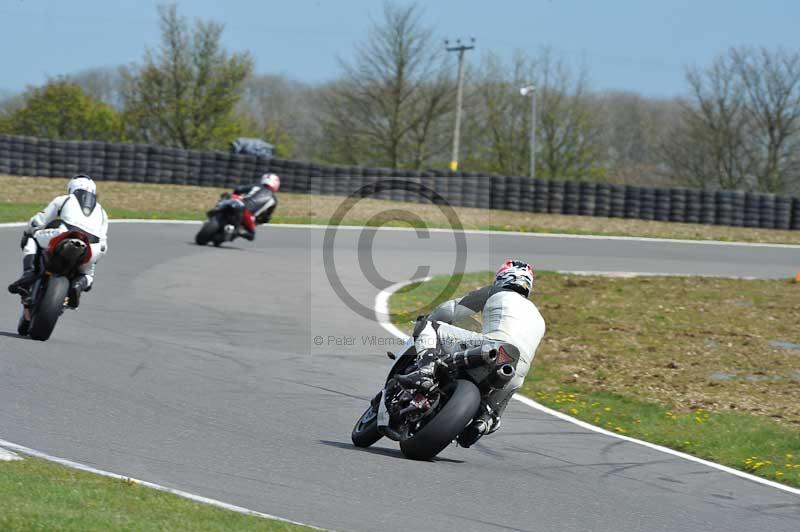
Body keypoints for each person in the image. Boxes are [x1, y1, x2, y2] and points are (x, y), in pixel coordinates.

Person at [403, 260, 546, 448]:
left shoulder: (496, 292)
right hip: (516, 371)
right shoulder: (539, 318)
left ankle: (426, 371)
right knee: (496, 406)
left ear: (501, 277)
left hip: (492, 348)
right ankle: (484, 421)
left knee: (428, 327)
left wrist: (429, 319)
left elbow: (450, 310)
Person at [8, 174, 108, 319]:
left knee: (33, 238)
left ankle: (28, 275)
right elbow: (104, 241)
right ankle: (79, 285)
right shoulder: (103, 212)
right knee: (88, 274)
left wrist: (28, 231)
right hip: (92, 246)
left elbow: (39, 221)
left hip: (64, 234)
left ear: (71, 188)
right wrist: (96, 256)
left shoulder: (65, 199)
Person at [229, 173, 280, 241]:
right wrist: (257, 221)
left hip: (240, 205)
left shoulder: (256, 186)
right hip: (249, 216)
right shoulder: (274, 200)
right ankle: (238, 232)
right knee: (251, 235)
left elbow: (239, 189)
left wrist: (236, 196)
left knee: (227, 197)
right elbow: (266, 217)